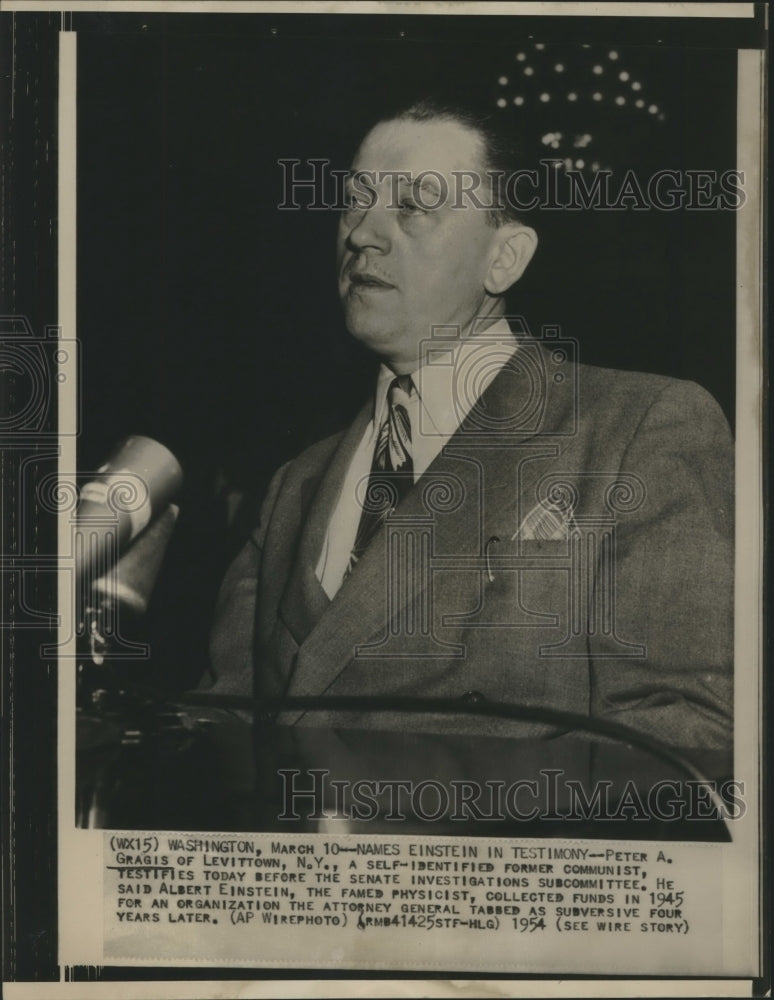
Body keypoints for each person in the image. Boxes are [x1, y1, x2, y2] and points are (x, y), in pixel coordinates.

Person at [206, 99, 733, 750]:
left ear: (504, 259)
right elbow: (221, 735)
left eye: (414, 206)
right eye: (353, 202)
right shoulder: (296, 484)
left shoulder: (639, 429)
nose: (362, 234)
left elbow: (684, 741)